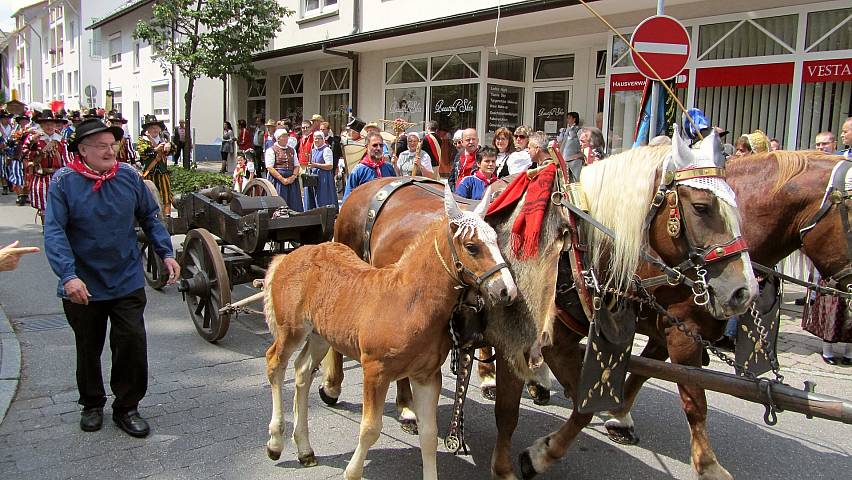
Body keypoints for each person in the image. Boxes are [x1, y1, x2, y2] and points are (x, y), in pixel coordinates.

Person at [44, 117, 179, 438]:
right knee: (89, 347)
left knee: (131, 343)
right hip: (82, 283)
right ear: (82, 150)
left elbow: (149, 215)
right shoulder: (64, 182)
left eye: (113, 145)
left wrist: (167, 252)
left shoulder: (128, 177)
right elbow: (54, 231)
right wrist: (67, 275)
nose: (110, 151)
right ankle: (92, 403)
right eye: (102, 146)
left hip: (126, 278)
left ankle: (127, 407)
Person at [23, 110, 70, 222]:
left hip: (57, 176)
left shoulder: (61, 140)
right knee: (43, 204)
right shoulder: (34, 139)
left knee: (58, 203)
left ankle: (57, 226)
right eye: (46, 124)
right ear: (42, 125)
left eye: (52, 124)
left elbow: (66, 158)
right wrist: (32, 144)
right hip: (41, 176)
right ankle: (46, 226)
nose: (49, 127)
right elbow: (25, 154)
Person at [137, 114, 175, 215]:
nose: (154, 129)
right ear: (147, 130)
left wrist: (169, 146)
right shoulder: (143, 141)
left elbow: (173, 149)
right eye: (152, 127)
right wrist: (155, 150)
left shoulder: (163, 140)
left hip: (162, 173)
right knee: (148, 197)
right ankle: (150, 218)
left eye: (156, 127)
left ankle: (167, 218)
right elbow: (143, 152)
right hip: (149, 174)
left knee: (166, 197)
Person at [343, 131, 396, 201]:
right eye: (375, 145)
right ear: (367, 147)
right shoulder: (358, 171)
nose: (378, 148)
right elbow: (348, 198)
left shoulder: (388, 168)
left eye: (381, 145)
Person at [265, 129, 303, 211]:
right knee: (280, 202)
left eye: (287, 136)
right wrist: (282, 179)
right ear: (278, 138)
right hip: (278, 180)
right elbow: (270, 167)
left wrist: (293, 177)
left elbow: (296, 165)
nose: (286, 138)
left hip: (291, 180)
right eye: (284, 136)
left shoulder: (292, 150)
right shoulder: (271, 150)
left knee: (294, 202)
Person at [304, 130, 337, 209]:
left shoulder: (326, 150)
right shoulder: (313, 150)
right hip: (315, 178)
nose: (316, 140)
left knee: (323, 198)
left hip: (324, 177)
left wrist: (316, 165)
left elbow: (330, 166)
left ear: (323, 139)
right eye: (315, 138)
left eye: (318, 138)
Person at [0, 109, 12, 195]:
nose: (7, 120)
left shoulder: (12, 127)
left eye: (8, 118)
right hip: (1, 151)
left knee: (10, 168)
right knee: (2, 168)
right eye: (5, 118)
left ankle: (10, 184)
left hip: (10, 150)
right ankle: (4, 186)